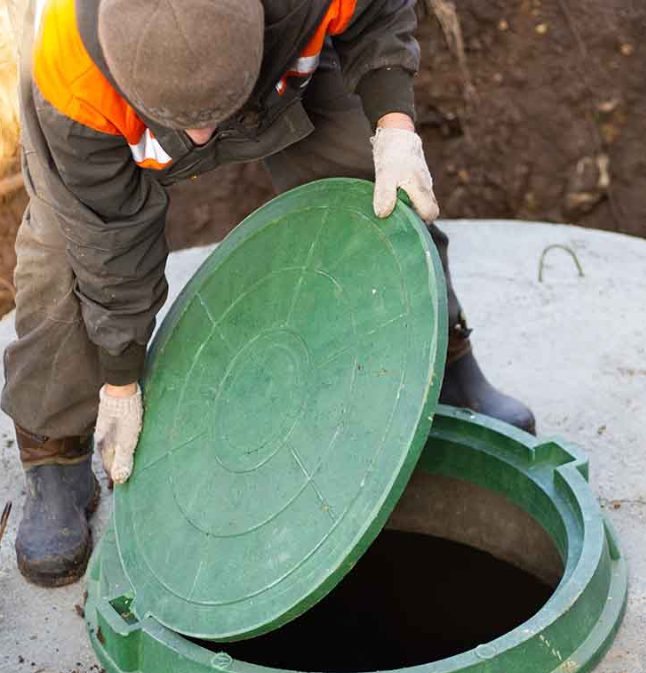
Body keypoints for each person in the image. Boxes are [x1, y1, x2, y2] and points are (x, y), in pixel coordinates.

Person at [3, 0, 536, 587]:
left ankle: (441, 358)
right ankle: (56, 454)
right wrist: (121, 378)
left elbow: (380, 16)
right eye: (190, 125)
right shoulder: (70, 77)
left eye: (212, 117)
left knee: (369, 182)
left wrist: (394, 127)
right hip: (106, 116)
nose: (203, 140)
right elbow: (110, 247)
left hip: (277, 75)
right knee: (63, 266)